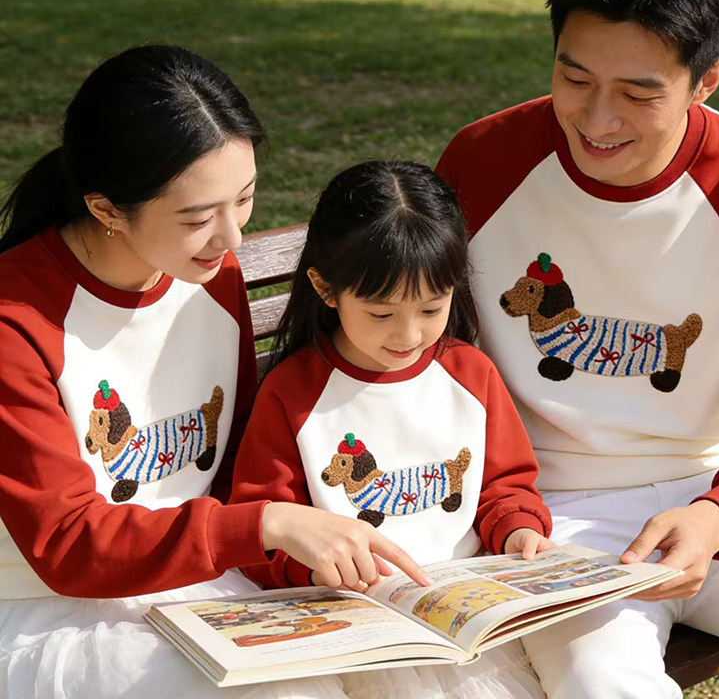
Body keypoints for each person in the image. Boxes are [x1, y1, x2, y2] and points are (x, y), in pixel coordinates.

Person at [435, 0, 719, 698]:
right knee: (600, 683)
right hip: (555, 519)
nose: (597, 120)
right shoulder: (482, 163)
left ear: (708, 79)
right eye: (574, 79)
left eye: (639, 93)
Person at [0, 45, 424, 699]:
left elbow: (233, 461)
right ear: (107, 209)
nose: (232, 240)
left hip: (203, 582)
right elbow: (66, 544)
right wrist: (264, 526)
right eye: (198, 217)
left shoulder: (209, 272)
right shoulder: (16, 322)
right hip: (53, 609)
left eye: (244, 199)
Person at [230, 160, 553, 699]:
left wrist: (517, 528)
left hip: (465, 607)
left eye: (431, 309)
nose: (409, 335)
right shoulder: (293, 392)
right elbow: (263, 525)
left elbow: (506, 486)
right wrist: (315, 570)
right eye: (381, 315)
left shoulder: (470, 373)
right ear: (325, 288)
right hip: (352, 618)